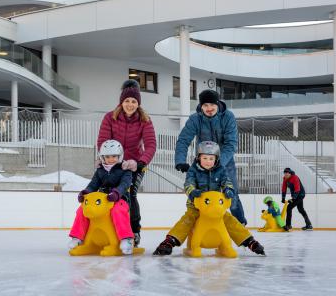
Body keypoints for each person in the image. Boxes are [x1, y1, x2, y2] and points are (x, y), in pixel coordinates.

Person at [153, 141, 265, 256]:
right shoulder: (193, 170)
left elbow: (227, 181)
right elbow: (188, 184)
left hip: (215, 207)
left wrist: (228, 189)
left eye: (211, 159)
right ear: (198, 158)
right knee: (187, 219)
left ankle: (249, 241)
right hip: (196, 206)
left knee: (229, 219)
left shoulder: (221, 169)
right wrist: (192, 192)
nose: (208, 161)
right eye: (205, 158)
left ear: (216, 159)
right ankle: (170, 241)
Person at [97, 79, 156, 247]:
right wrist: (106, 160)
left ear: (138, 103)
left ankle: (134, 231)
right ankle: (104, 229)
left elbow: (151, 144)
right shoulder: (110, 117)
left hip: (135, 164)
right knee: (107, 193)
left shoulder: (145, 119)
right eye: (127, 101)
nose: (130, 104)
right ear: (121, 101)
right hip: (113, 163)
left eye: (134, 101)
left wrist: (140, 163)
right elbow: (102, 141)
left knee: (130, 194)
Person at [174, 89, 247, 225]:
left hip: (225, 162)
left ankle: (240, 224)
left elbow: (231, 143)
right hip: (203, 162)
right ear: (201, 106)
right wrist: (180, 161)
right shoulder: (195, 119)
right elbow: (183, 140)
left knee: (231, 192)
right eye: (205, 105)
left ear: (217, 103)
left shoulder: (228, 117)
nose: (209, 108)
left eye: (212, 105)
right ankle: (200, 224)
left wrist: (219, 162)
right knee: (200, 194)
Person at [68, 140, 135, 254]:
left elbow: (125, 184)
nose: (111, 159)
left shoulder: (125, 170)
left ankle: (126, 239)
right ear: (102, 157)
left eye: (114, 156)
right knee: (82, 210)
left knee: (117, 210)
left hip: (120, 199)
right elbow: (93, 184)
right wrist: (85, 193)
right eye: (107, 156)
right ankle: (78, 238)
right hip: (103, 200)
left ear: (120, 156)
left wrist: (117, 193)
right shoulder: (100, 170)